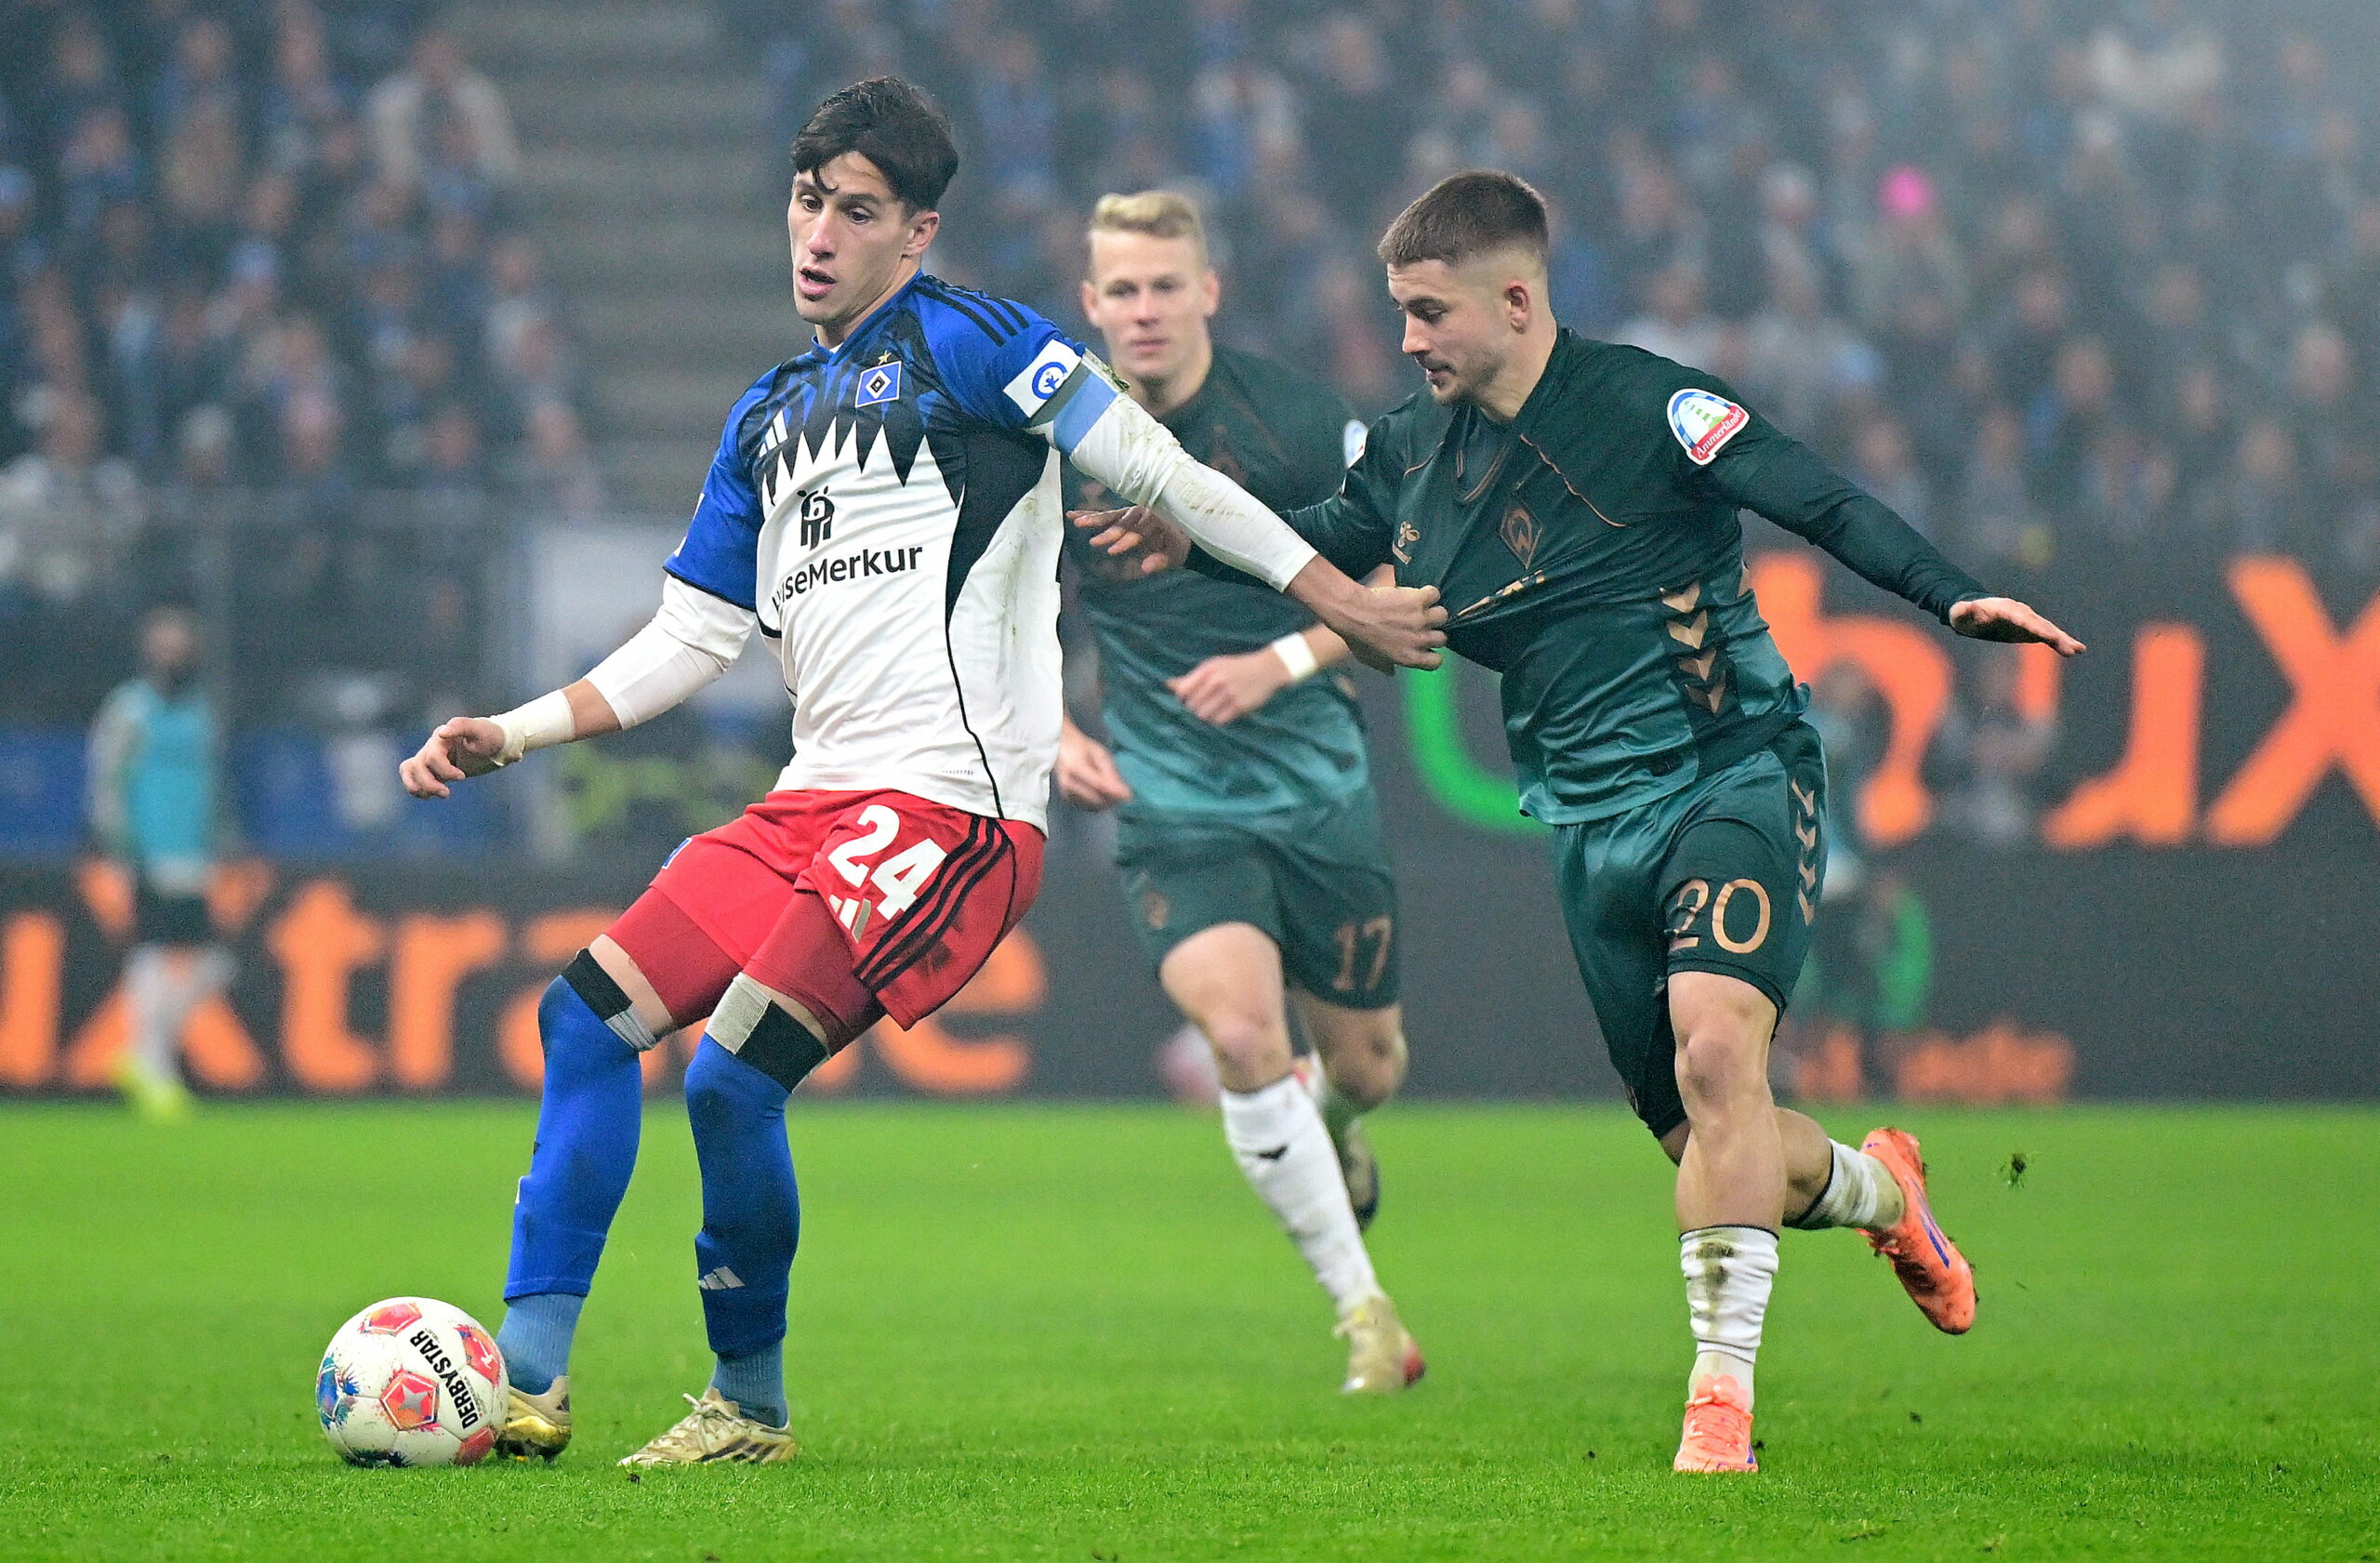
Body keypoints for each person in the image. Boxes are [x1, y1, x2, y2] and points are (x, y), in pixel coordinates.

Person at [398, 78, 1443, 1468]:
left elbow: (1161, 470)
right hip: (806, 801)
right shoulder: (766, 415)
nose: (819, 233)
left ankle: (747, 1407)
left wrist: (1342, 599)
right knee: (585, 1017)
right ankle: (525, 1387)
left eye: (858, 210)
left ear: (918, 230)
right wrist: (511, 731)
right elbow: (691, 638)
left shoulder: (976, 343)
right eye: (807, 200)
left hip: (950, 806)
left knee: (728, 1079)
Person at [1080, 170, 2083, 1474]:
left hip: (1730, 770)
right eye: (1399, 313)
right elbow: (1313, 535)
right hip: (1586, 822)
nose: (1407, 340)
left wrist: (1951, 598)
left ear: (1514, 298)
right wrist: (1186, 538)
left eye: (1428, 312)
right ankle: (1886, 1191)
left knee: (1722, 1062)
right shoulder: (1410, 453)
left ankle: (1717, 1415)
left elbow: (1815, 495)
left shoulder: (1650, 405)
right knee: (1710, 1147)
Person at [1059, 191, 1420, 1393]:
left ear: (1208, 291)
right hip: (1172, 806)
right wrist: (1047, 727)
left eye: (1166, 285)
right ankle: (1365, 1313)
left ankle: (1344, 1132)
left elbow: (1418, 592)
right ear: (1090, 303)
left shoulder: (1308, 424)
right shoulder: (1049, 441)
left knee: (1364, 1067)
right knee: (1239, 1029)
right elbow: (984, 609)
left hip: (1320, 790)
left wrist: (1282, 657)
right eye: (1122, 290)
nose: (1144, 310)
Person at [86, 606, 230, 1120]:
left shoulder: (199, 712)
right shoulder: (130, 709)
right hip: (148, 849)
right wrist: (118, 845)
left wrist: (219, 839)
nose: (173, 653)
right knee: (153, 949)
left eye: (180, 643)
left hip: (194, 852)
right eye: (163, 643)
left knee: (210, 963)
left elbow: (211, 783)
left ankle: (145, 1055)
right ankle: (152, 1063)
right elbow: (106, 779)